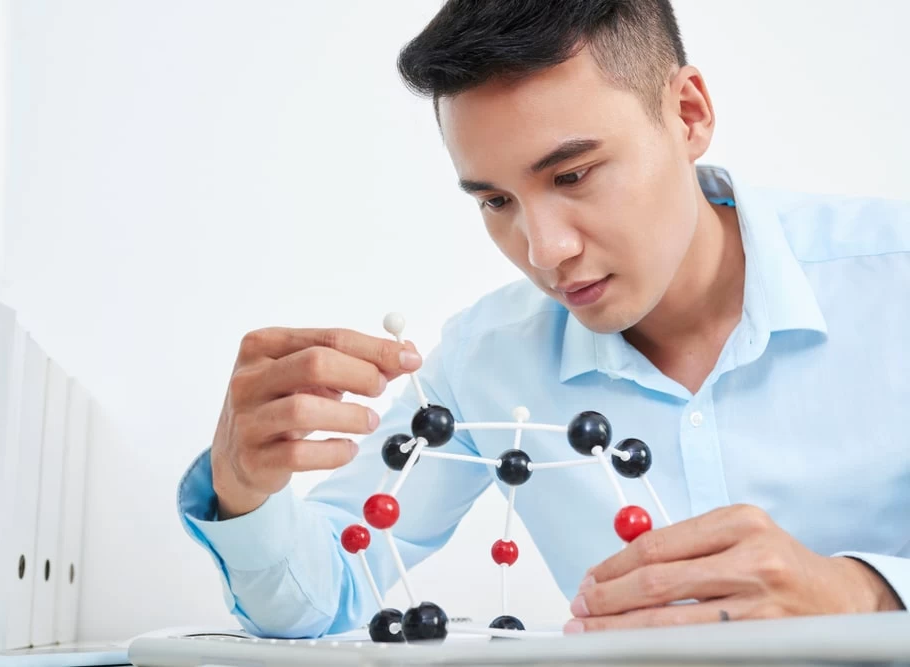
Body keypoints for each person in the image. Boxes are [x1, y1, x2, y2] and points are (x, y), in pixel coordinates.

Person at [178, 0, 909, 638]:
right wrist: (244, 489)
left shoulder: (893, 283)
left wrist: (864, 591)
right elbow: (326, 591)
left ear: (689, 114)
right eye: (495, 201)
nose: (544, 250)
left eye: (572, 175)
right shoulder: (484, 363)